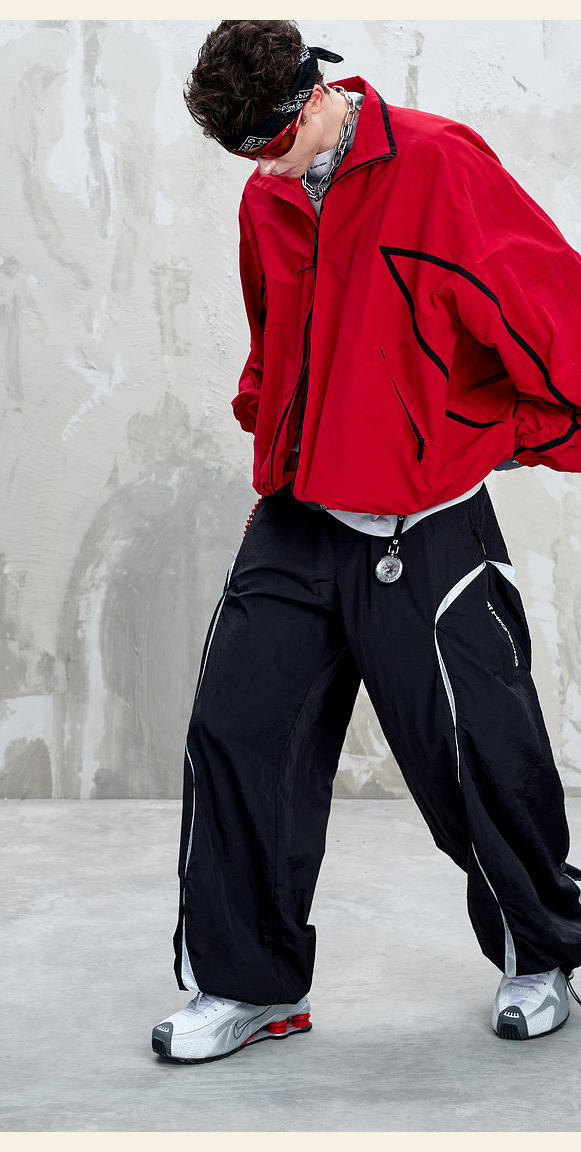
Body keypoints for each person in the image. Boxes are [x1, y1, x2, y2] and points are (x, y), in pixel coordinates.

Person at [151, 19, 581, 1064]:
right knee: (237, 735)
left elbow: (554, 314)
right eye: (237, 152)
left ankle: (541, 951)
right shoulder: (267, 198)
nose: (257, 167)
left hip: (422, 525)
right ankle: (249, 986)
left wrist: (501, 435)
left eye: (267, 141)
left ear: (314, 96)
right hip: (300, 516)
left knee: (476, 760)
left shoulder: (438, 165)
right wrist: (274, 423)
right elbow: (274, 336)